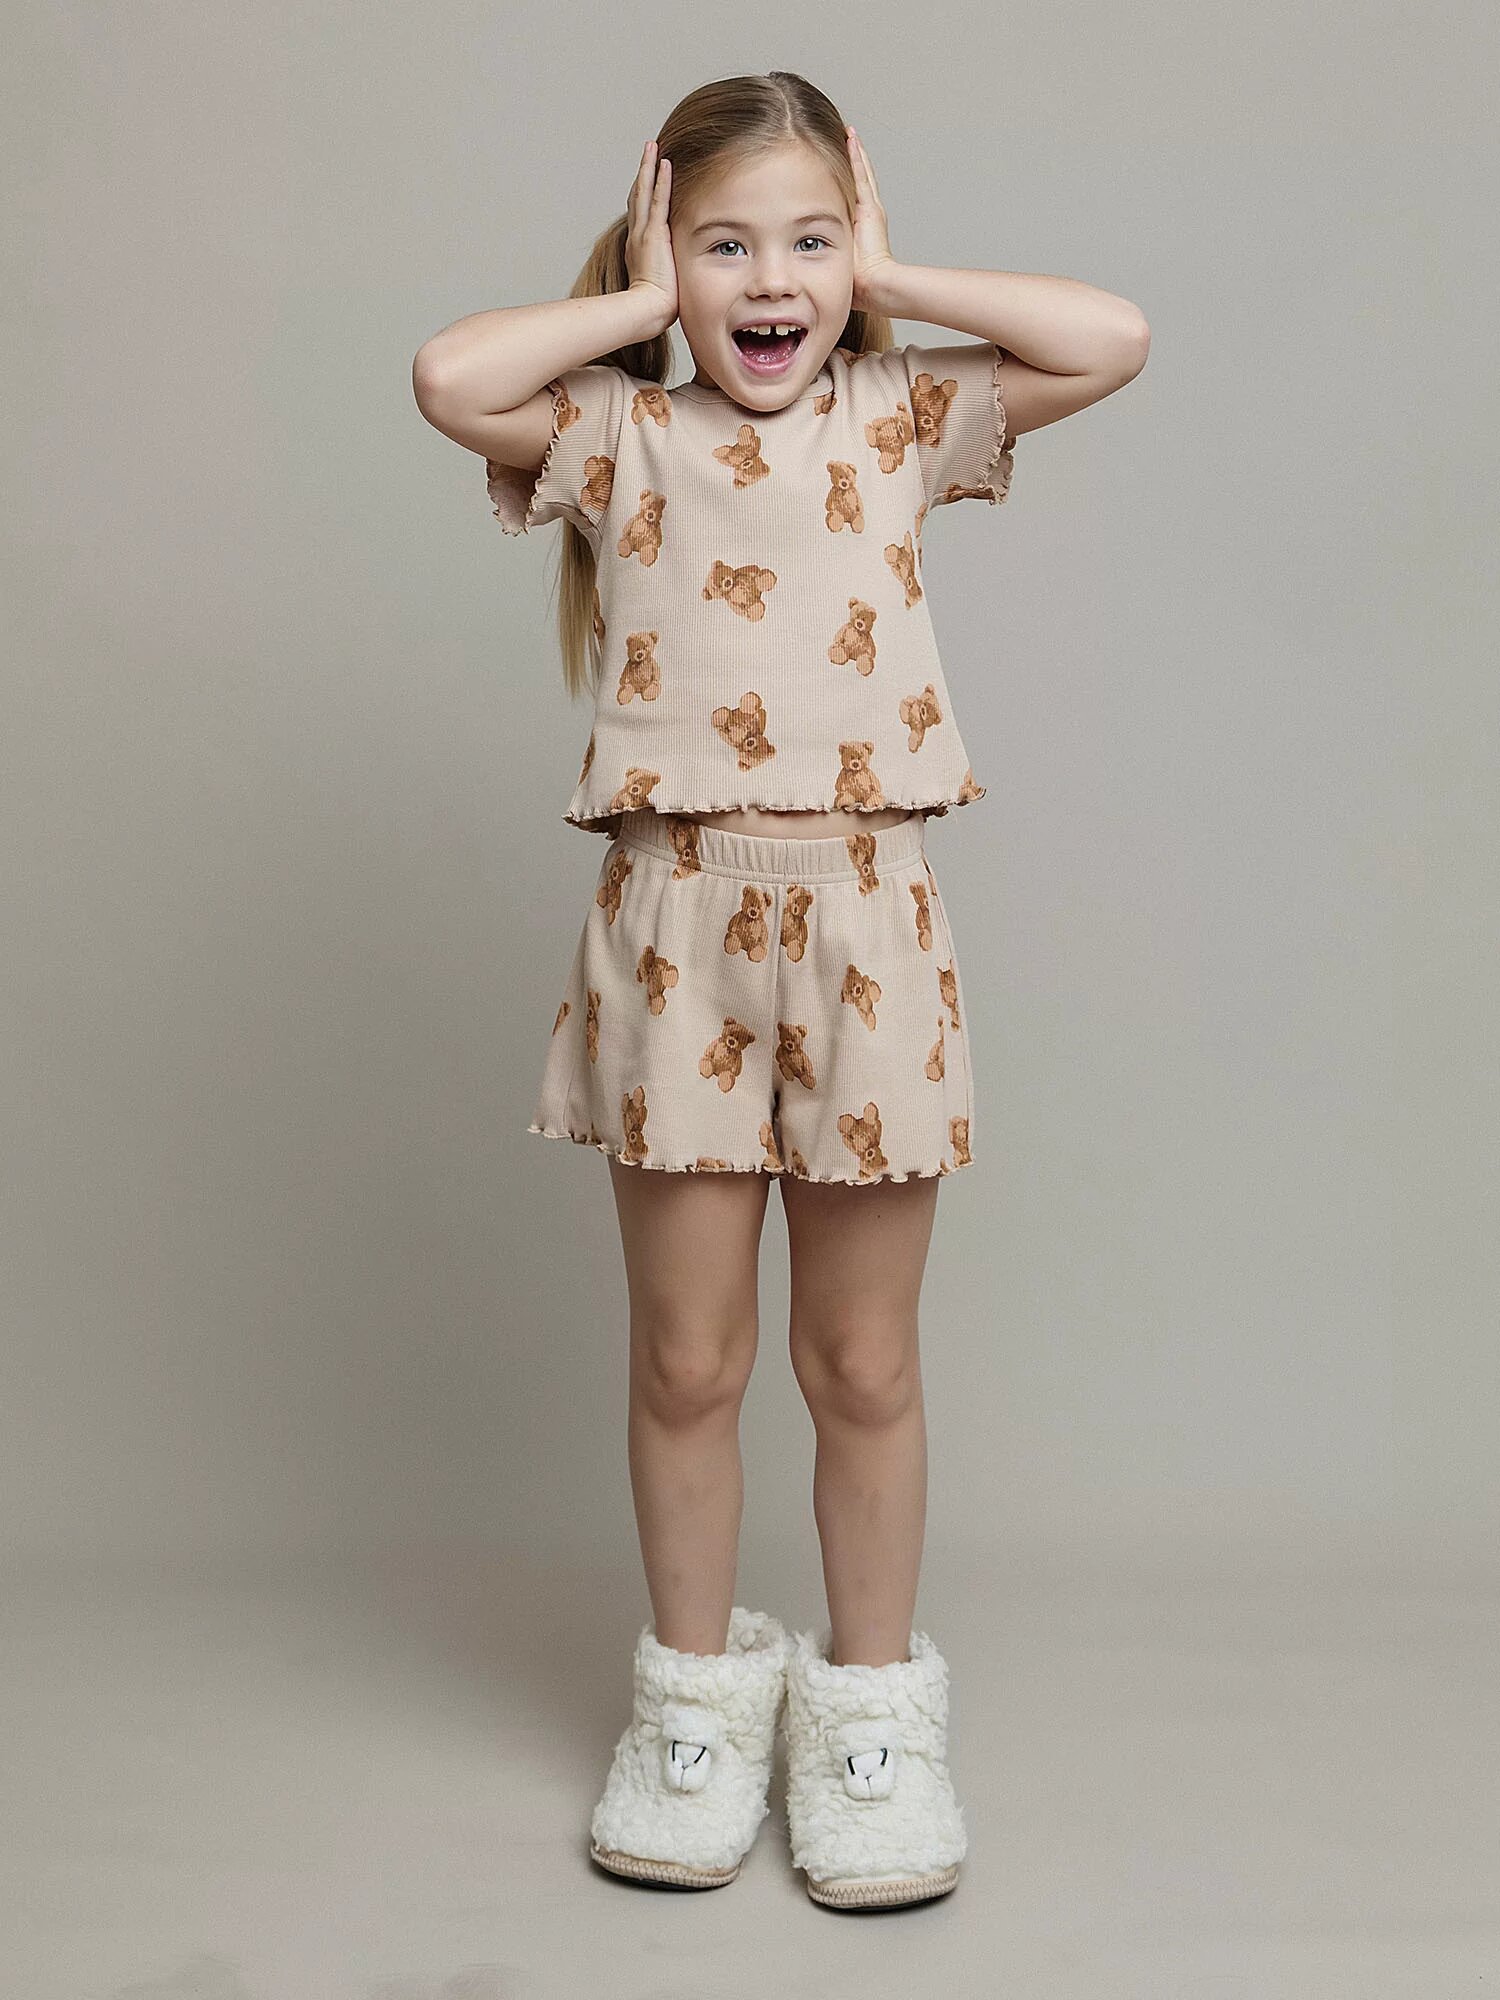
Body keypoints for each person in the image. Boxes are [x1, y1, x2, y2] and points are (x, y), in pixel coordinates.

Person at [412, 70, 1149, 1909]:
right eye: (727, 243)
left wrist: (897, 276)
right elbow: (449, 378)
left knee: (863, 1362)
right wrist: (635, 299)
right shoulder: (616, 435)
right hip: (676, 930)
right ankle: (690, 1713)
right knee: (690, 1362)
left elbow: (1112, 338)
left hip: (870, 930)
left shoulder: (904, 418)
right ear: (669, 255)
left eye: (809, 242)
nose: (773, 282)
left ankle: (873, 1722)